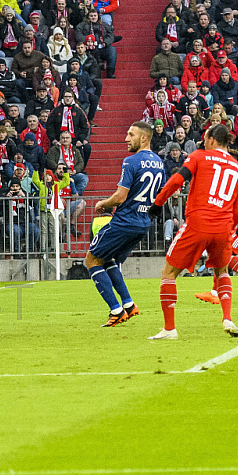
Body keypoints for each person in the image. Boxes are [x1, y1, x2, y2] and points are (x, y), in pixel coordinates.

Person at [147, 124, 238, 340]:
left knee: (169, 272)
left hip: (198, 223)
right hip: (223, 227)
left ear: (212, 139)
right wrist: (229, 229)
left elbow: (177, 180)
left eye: (205, 139)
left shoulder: (199, 156)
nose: (203, 142)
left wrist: (158, 202)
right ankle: (227, 318)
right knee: (222, 272)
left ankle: (169, 329)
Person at [86, 122, 166, 327]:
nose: (126, 139)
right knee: (107, 259)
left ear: (144, 138)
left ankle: (116, 310)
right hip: (142, 223)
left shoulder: (131, 161)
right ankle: (129, 305)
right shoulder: (159, 162)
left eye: (131, 134)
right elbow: (162, 194)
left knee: (92, 260)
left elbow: (121, 196)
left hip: (124, 221)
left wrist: (104, 203)